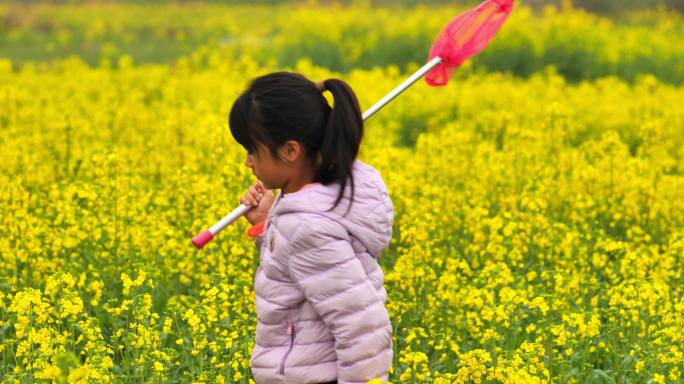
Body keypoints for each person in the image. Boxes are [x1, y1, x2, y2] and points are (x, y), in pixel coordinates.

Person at [229, 72, 394, 384]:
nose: (248, 162)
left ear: (291, 151)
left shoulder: (307, 224)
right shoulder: (316, 199)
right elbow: (300, 273)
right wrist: (266, 225)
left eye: (252, 150)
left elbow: (361, 328)